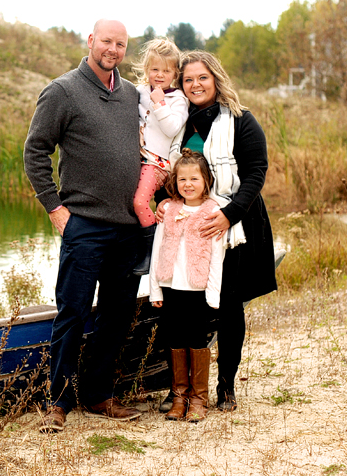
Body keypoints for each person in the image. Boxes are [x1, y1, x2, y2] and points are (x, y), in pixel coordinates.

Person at [23, 19, 143, 433]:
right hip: (84, 225)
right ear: (91, 41)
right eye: (106, 41)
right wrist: (55, 209)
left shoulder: (132, 96)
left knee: (115, 315)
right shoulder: (62, 91)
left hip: (128, 228)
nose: (113, 49)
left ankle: (98, 396)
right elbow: (35, 151)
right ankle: (56, 403)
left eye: (121, 44)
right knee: (72, 313)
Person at [156, 50, 277, 413]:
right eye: (188, 79)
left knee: (228, 307)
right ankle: (179, 390)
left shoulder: (241, 121)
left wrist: (228, 215)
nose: (195, 85)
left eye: (202, 78)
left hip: (235, 224)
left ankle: (225, 388)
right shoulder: (178, 123)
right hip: (186, 226)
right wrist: (163, 201)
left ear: (216, 79)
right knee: (179, 305)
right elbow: (170, 171)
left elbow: (256, 172)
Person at [148, 149, 224, 422]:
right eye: (182, 179)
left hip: (198, 289)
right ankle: (178, 396)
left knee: (196, 341)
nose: (188, 184)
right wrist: (155, 288)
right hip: (171, 288)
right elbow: (157, 249)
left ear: (206, 181)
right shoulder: (169, 209)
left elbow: (217, 256)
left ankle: (198, 399)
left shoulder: (213, 211)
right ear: (175, 182)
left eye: (194, 179)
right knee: (175, 340)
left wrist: (213, 293)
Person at [131, 37, 189, 276]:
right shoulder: (139, 92)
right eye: (154, 69)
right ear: (146, 69)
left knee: (139, 202)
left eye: (166, 70)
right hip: (137, 160)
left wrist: (159, 104)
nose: (159, 74)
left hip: (158, 164)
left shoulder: (178, 100)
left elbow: (172, 129)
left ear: (175, 72)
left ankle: (151, 252)